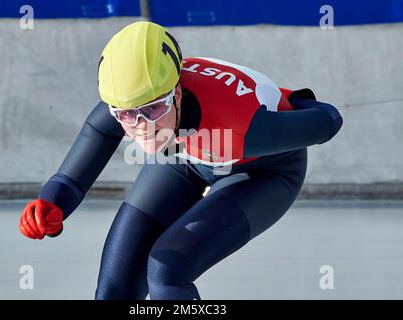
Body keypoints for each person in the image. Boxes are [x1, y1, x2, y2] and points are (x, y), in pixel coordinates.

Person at [18, 21, 343, 300]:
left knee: (166, 271)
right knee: (113, 290)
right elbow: (89, 149)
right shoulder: (129, 100)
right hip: (184, 157)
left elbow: (328, 121)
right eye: (127, 115)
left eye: (153, 109)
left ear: (176, 92)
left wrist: (292, 101)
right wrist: (53, 201)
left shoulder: (244, 127)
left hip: (263, 171)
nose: (142, 125)